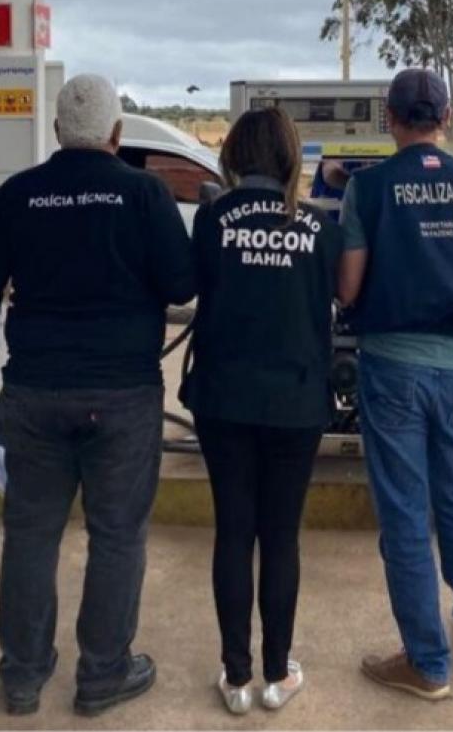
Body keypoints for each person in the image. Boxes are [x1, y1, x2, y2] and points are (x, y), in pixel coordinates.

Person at [0, 74, 196, 717]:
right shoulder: (144, 194)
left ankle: (23, 676)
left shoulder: (16, 196)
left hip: (34, 391)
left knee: (31, 533)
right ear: (117, 135)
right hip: (122, 395)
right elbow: (180, 284)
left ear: (58, 132)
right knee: (117, 537)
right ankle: (103, 675)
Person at [338, 68, 453, 700]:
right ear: (445, 117)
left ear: (390, 118)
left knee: (406, 512)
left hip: (391, 367)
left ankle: (427, 663)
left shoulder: (369, 188)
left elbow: (349, 288)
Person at [179, 108, 344, 714]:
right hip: (297, 402)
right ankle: (276, 675)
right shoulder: (317, 227)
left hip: (223, 399)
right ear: (288, 158)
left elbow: (192, 286)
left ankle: (236, 675)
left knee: (233, 530)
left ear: (235, 155)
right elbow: (340, 296)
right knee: (280, 535)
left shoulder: (213, 218)